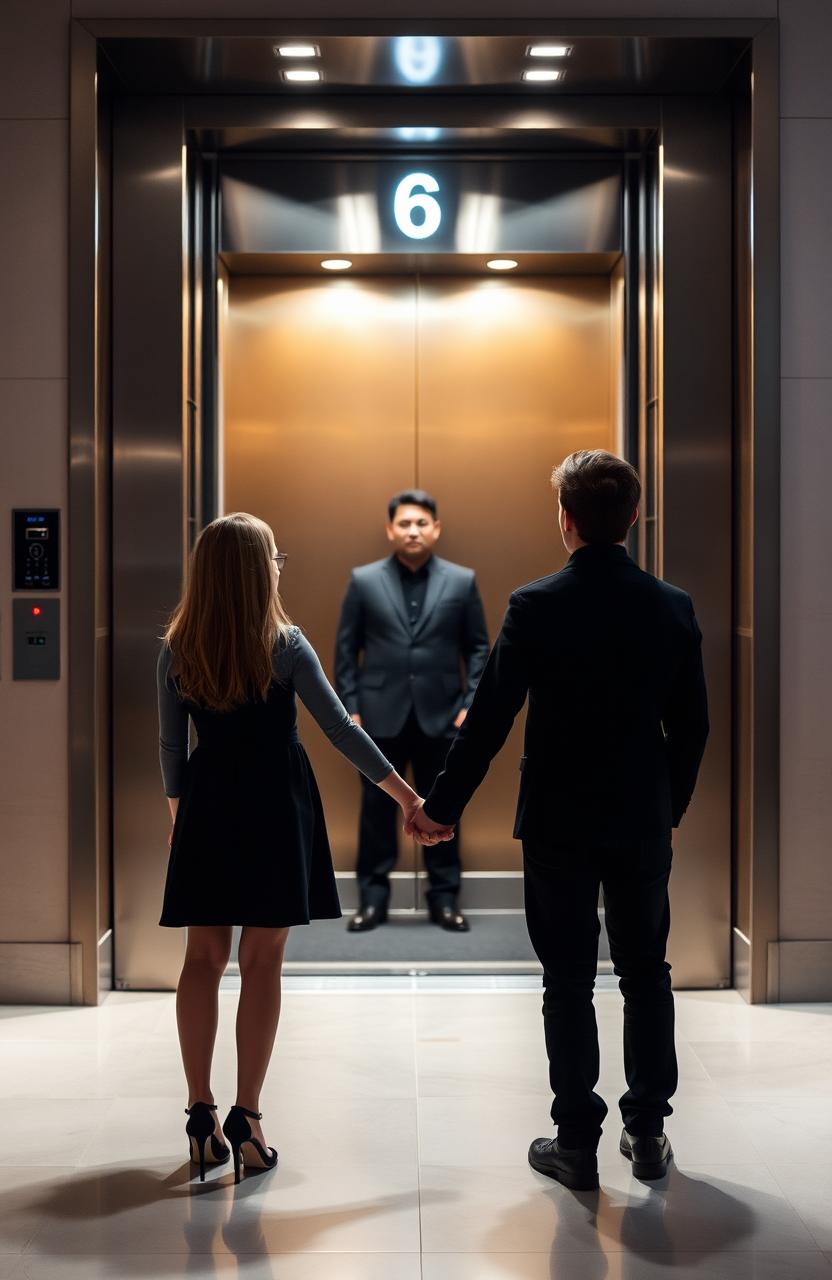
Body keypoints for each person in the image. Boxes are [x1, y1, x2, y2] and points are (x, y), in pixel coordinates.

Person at [410, 451, 709, 1190]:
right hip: (641, 817)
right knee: (647, 971)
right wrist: (670, 806)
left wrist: (439, 809)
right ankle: (647, 1133)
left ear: (565, 520)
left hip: (557, 821)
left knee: (568, 979)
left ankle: (576, 1141)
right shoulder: (671, 606)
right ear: (633, 516)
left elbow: (487, 721)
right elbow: (694, 725)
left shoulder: (536, 605)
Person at [157, 513, 450, 1184]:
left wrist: (181, 815)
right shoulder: (285, 644)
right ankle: (248, 1120)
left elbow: (173, 748)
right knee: (262, 961)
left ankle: (199, 1114)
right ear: (263, 571)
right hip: (272, 807)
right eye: (275, 557)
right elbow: (342, 732)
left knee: (202, 956)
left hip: (208, 805)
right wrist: (409, 798)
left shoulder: (177, 647)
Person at [335, 489, 490, 933]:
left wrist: (469, 706)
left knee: (443, 809)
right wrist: (351, 710)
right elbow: (346, 651)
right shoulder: (363, 580)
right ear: (390, 530)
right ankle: (373, 901)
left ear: (436, 529)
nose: (413, 530)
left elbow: (478, 648)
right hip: (377, 718)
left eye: (421, 523)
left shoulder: (461, 581)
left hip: (443, 716)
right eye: (404, 523)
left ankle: (444, 900)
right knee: (375, 812)